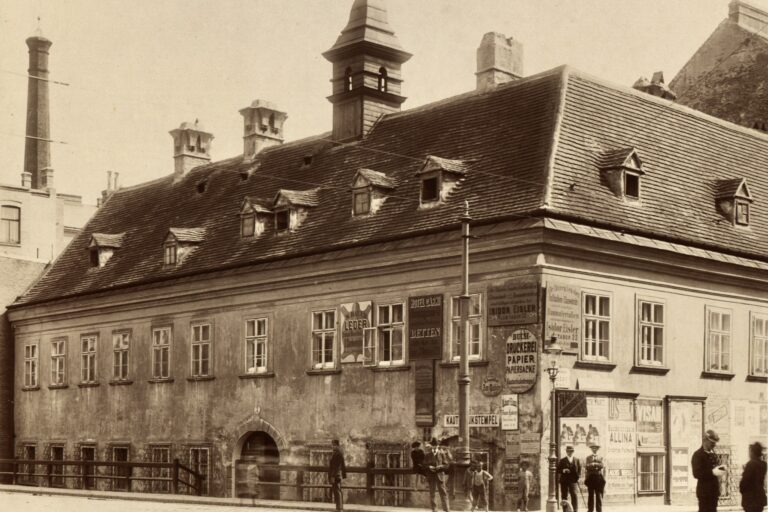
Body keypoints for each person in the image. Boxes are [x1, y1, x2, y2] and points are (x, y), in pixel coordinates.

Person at [692, 429, 725, 512]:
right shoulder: (697, 455)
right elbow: (696, 473)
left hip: (713, 492)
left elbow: (716, 469)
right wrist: (712, 472)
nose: (714, 445)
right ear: (705, 440)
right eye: (712, 443)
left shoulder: (713, 455)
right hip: (704, 493)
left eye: (715, 443)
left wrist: (721, 469)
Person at [423, 437, 451, 512]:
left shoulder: (442, 454)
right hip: (431, 476)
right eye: (433, 445)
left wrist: (441, 466)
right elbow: (424, 465)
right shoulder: (428, 455)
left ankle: (446, 510)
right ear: (431, 446)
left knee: (443, 493)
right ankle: (434, 509)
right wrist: (429, 467)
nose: (435, 447)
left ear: (438, 446)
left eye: (436, 445)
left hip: (440, 476)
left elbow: (446, 465)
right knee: (432, 494)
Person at [740, 442, 767, 512]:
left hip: (750, 500)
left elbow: (744, 483)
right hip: (760, 498)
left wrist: (745, 471)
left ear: (752, 452)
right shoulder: (764, 464)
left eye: (750, 452)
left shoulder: (750, 464)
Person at [557, 445, 581, 512]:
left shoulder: (577, 460)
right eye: (568, 451)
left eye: (571, 451)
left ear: (573, 452)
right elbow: (558, 470)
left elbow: (579, 469)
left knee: (574, 494)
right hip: (564, 480)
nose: (570, 452)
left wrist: (577, 477)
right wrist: (563, 470)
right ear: (566, 452)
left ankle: (575, 510)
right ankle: (565, 510)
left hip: (573, 481)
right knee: (564, 496)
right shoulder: (562, 460)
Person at [585, 444, 605, 512]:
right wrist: (593, 465)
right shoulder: (588, 458)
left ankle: (599, 510)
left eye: (595, 448)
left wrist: (594, 464)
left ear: (597, 449)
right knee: (590, 495)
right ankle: (590, 510)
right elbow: (587, 466)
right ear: (591, 449)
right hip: (590, 478)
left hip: (598, 478)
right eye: (593, 448)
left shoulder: (600, 457)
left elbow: (602, 465)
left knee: (598, 495)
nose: (594, 449)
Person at [328, 439, 347, 512]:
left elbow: (337, 467)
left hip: (336, 475)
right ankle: (338, 508)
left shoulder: (338, 454)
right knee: (336, 491)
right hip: (335, 474)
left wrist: (333, 476)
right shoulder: (336, 453)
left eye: (334, 445)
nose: (332, 447)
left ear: (337, 445)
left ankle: (340, 508)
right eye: (332, 445)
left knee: (337, 491)